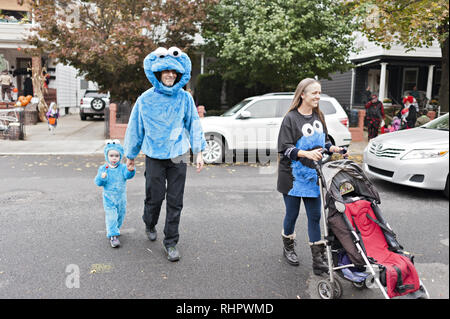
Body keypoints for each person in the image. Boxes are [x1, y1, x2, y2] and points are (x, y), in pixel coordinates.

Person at [124, 47, 206, 262]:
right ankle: (149, 221)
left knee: (175, 201)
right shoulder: (145, 99)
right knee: (155, 197)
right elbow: (135, 127)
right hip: (154, 155)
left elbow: (193, 124)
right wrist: (130, 155)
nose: (170, 75)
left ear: (178, 74)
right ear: (158, 73)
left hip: (178, 155)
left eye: (173, 71)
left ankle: (171, 242)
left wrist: (198, 151)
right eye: (165, 71)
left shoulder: (185, 98)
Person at [277, 78, 348, 274]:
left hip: (312, 175)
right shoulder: (290, 118)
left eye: (319, 92)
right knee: (291, 214)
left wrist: (334, 148)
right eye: (314, 93)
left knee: (315, 216)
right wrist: (306, 153)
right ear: (303, 95)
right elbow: (284, 148)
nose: (318, 96)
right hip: (291, 177)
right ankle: (288, 246)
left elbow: (323, 142)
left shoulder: (318, 116)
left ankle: (318, 260)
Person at [95, 140, 136, 248]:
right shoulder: (103, 169)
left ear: (120, 156)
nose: (114, 158)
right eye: (111, 155)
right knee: (111, 216)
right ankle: (113, 235)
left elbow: (127, 175)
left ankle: (115, 228)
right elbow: (98, 182)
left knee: (120, 215)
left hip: (121, 197)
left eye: (117, 156)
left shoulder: (122, 167)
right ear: (107, 156)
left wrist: (131, 170)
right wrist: (102, 177)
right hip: (108, 197)